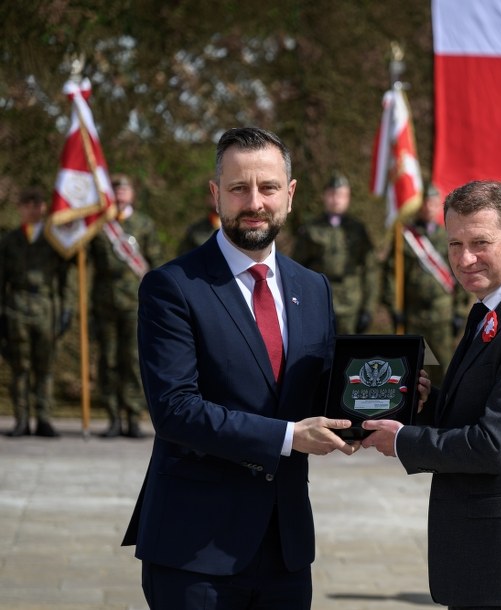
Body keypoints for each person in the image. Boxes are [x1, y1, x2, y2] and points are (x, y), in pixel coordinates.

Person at [121, 127, 358, 610]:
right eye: (238, 188)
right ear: (216, 195)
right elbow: (175, 411)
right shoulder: (172, 287)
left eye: (268, 187)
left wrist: (387, 397)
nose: (255, 201)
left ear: (290, 195)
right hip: (194, 550)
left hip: (286, 548)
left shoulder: (313, 287)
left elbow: (320, 393)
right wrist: (289, 437)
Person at [362, 180, 501, 609]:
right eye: (455, 244)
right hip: (487, 559)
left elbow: (495, 446)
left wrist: (401, 441)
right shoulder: (491, 310)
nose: (464, 259)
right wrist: (427, 404)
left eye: (480, 243)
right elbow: (481, 407)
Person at [89, 172, 163, 438]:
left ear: (132, 194)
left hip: (136, 301)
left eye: (124, 190)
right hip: (105, 300)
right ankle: (112, 418)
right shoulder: (99, 227)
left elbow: (155, 264)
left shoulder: (144, 224)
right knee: (108, 360)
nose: (120, 194)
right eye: (115, 189)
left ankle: (133, 416)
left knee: (134, 360)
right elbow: (89, 265)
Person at [0, 187, 71, 437]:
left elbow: (65, 280)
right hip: (16, 305)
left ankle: (44, 418)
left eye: (37, 204)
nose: (32, 209)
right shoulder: (8, 240)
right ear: (19, 208)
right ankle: (21, 419)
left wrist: (66, 308)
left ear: (44, 208)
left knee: (45, 367)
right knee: (20, 366)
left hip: (45, 307)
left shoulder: (54, 240)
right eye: (27, 204)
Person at [382, 183, 457, 385]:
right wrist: (394, 308)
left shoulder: (449, 236)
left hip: (442, 313)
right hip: (413, 314)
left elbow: (459, 275)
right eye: (424, 203)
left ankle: (442, 411)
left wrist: (460, 312)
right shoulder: (405, 237)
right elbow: (392, 274)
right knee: (414, 367)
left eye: (433, 203)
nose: (428, 208)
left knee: (444, 366)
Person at [292, 172, 378, 334]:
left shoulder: (358, 230)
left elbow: (371, 270)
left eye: (341, 195)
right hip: (319, 303)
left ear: (348, 197)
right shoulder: (311, 229)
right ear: (324, 196)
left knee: (349, 355)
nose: (336, 199)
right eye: (332, 194)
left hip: (351, 304)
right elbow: (297, 270)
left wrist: (368, 309)